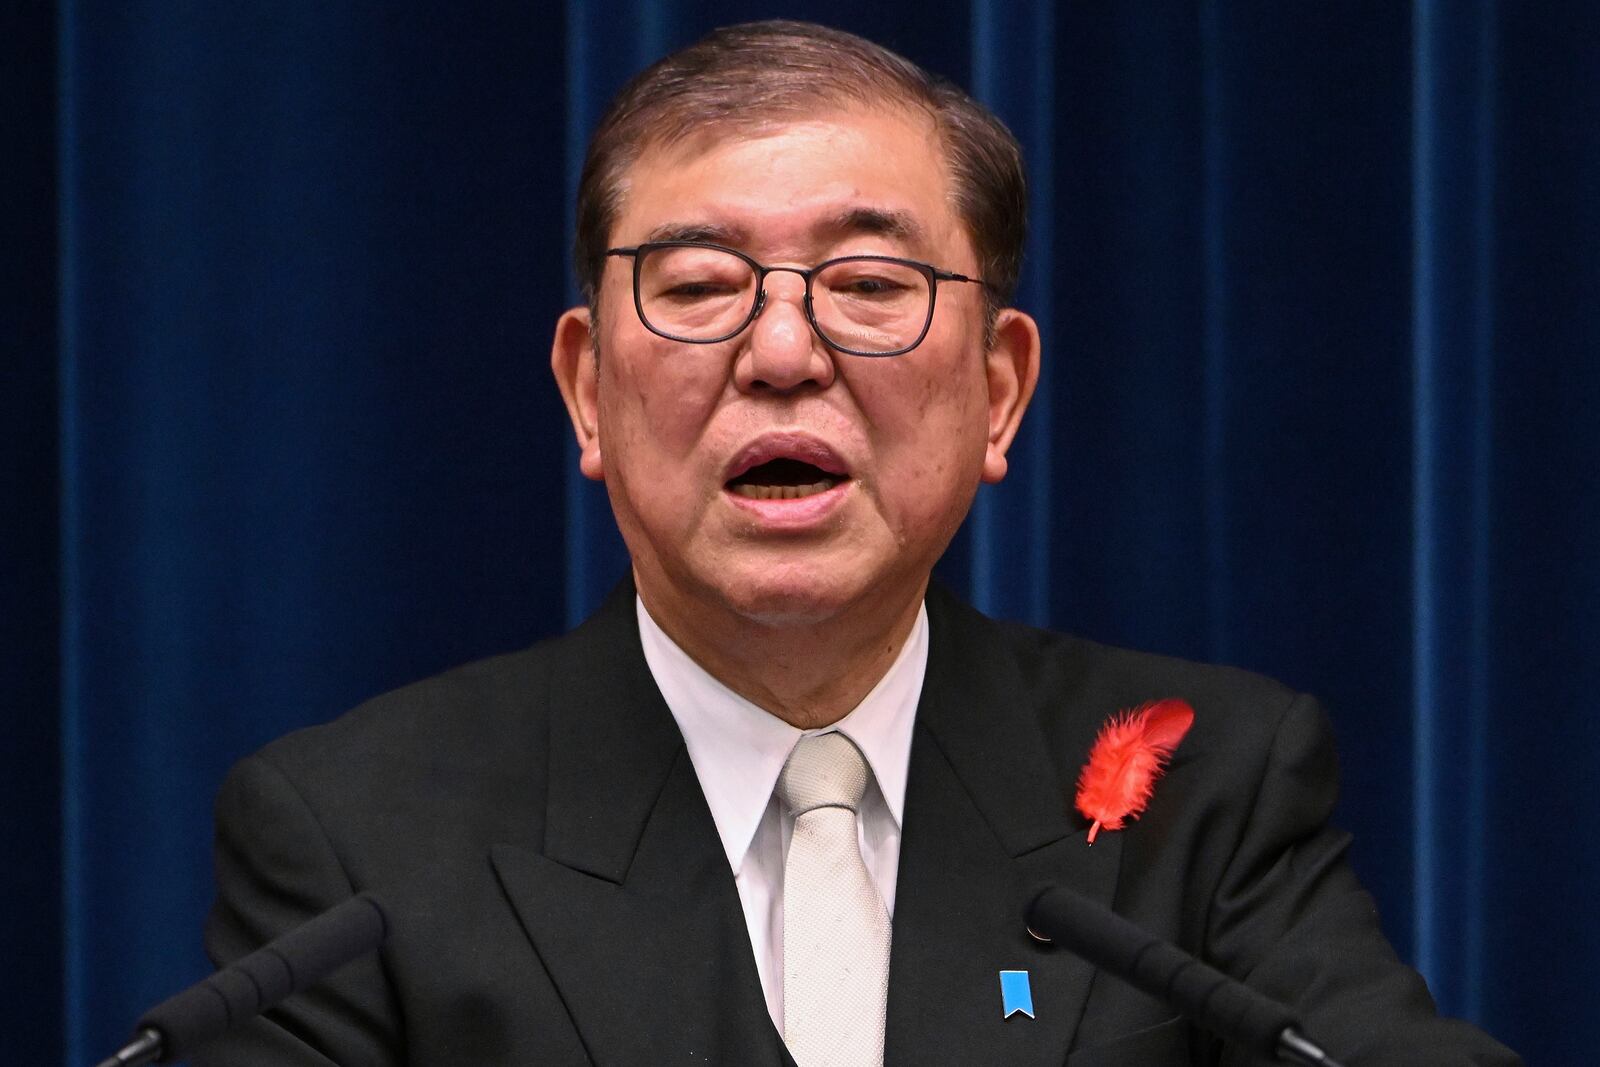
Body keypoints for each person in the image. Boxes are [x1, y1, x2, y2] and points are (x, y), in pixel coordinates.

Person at [196, 20, 1519, 1067]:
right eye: (701, 284)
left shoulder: (1198, 794)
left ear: (1000, 390)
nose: (782, 353)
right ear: (587, 390)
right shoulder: (354, 841)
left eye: (872, 286)